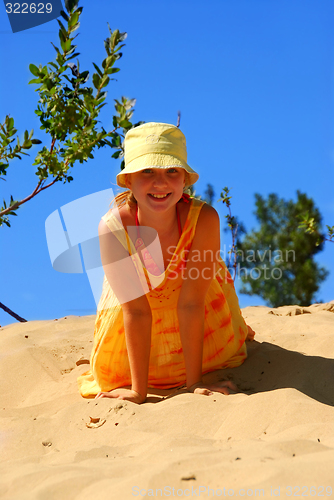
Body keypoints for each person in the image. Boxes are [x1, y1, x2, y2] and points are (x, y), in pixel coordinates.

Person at [77, 122, 254, 404]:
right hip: (132, 329)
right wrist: (138, 391)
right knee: (116, 373)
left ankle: (194, 372)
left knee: (218, 354)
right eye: (147, 171)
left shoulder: (203, 219)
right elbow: (135, 310)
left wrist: (194, 383)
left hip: (201, 324)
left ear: (184, 179)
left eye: (171, 171)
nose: (160, 183)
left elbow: (191, 302)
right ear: (129, 181)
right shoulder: (113, 228)